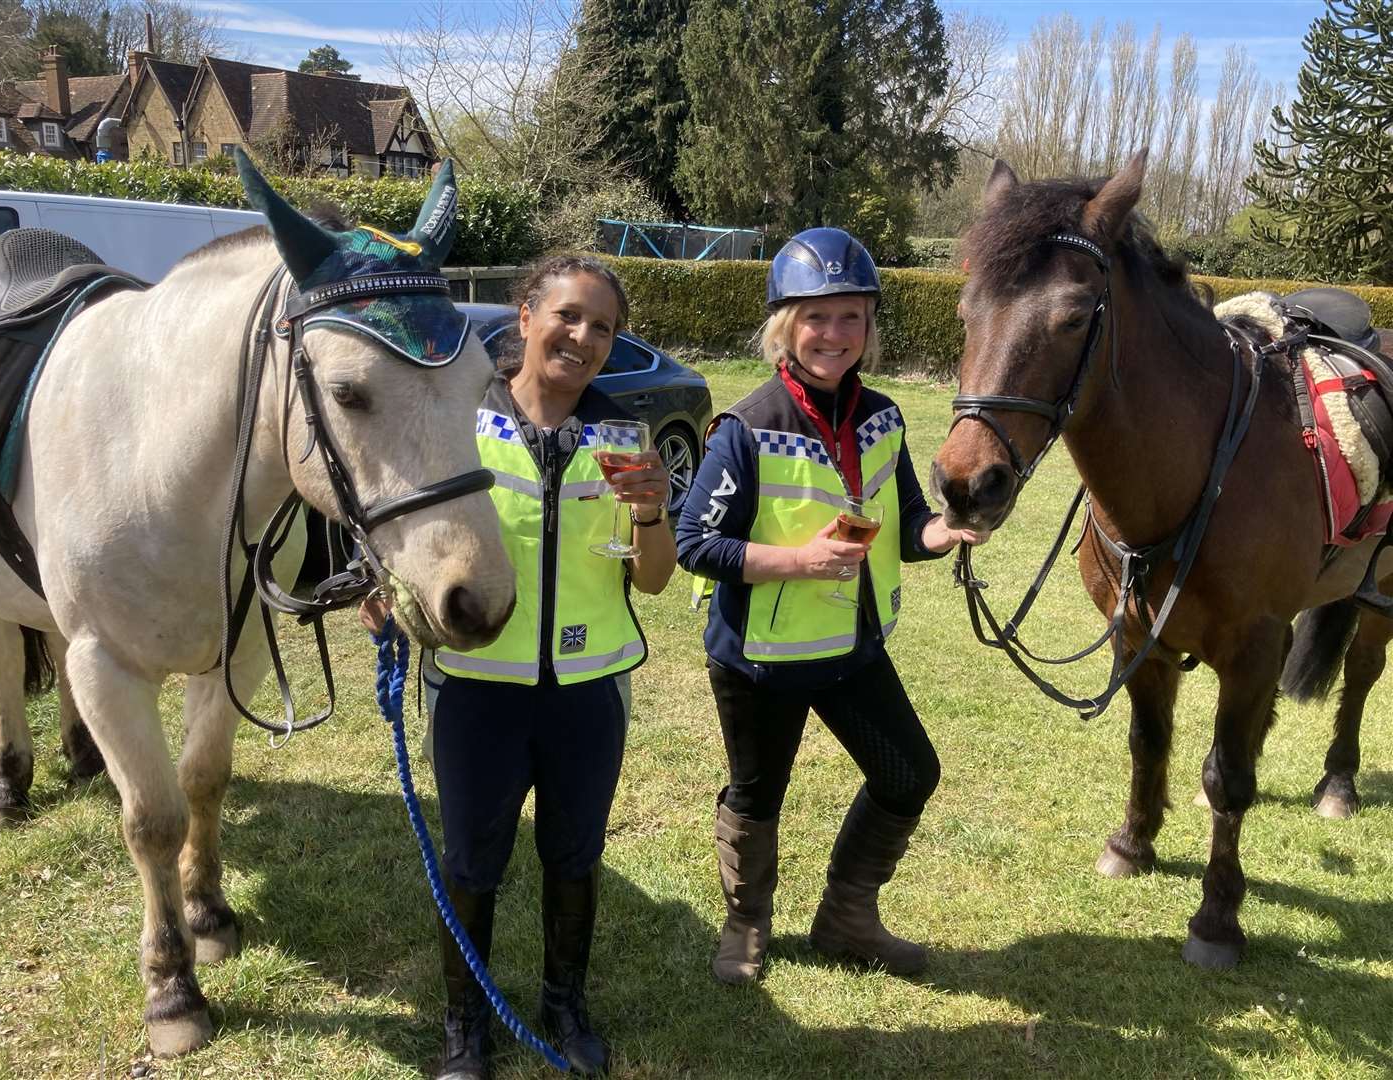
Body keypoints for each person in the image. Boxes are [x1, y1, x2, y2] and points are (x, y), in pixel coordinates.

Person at [366, 255, 674, 1078]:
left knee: (575, 858)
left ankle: (563, 1007)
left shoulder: (623, 433)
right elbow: (405, 534)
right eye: (569, 315)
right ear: (527, 314)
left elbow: (652, 576)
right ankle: (465, 1029)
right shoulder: (461, 422)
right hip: (478, 695)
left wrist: (650, 510)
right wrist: (383, 591)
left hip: (587, 696)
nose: (583, 336)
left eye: (603, 326)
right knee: (472, 863)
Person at [675, 227, 988, 986]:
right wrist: (798, 560)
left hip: (852, 650)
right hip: (761, 659)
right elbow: (693, 541)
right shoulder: (745, 426)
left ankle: (847, 919)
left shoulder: (883, 415)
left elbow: (908, 517)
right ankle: (747, 924)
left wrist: (943, 530)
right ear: (786, 324)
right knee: (758, 794)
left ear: (870, 328)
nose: (835, 335)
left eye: (853, 317)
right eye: (818, 317)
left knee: (909, 773)